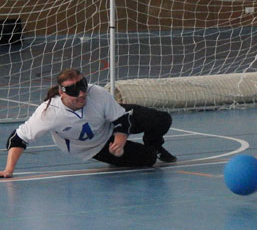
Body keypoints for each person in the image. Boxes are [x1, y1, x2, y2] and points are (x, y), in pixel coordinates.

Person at [0, 68, 176, 178]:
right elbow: (18, 138)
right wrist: (9, 170)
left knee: (161, 119)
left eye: (83, 87)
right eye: (75, 91)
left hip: (107, 121)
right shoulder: (48, 113)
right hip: (94, 146)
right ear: (62, 93)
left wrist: (120, 139)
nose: (82, 94)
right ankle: (145, 153)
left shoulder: (96, 94)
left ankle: (155, 145)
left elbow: (121, 119)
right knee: (148, 159)